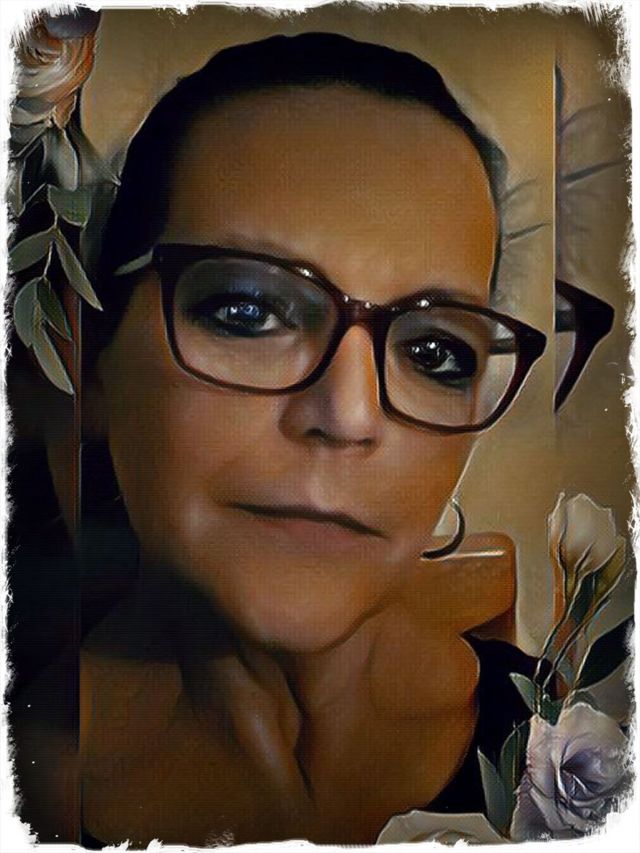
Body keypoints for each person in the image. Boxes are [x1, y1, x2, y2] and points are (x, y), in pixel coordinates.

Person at [12, 32, 548, 846]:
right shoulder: (30, 795)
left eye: (434, 351)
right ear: (92, 367)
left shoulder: (581, 743)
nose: (351, 415)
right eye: (246, 310)